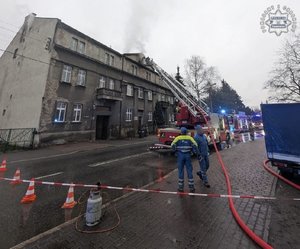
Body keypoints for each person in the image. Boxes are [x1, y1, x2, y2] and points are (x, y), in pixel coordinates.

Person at [171, 127, 199, 193]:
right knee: (189, 171)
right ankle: (191, 187)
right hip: (188, 156)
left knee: (180, 171)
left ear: (181, 132)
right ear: (186, 132)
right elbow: (195, 145)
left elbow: (172, 145)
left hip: (180, 156)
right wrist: (194, 151)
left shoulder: (177, 138)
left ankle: (181, 187)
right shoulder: (190, 138)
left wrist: (175, 151)